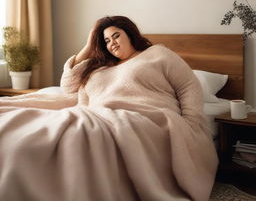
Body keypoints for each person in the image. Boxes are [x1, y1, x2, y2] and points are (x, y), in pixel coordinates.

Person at [0, 15, 218, 201]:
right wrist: (88, 46)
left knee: (76, 136)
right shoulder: (101, 66)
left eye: (116, 35)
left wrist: (191, 123)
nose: (112, 43)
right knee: (29, 130)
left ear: (130, 34)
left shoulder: (158, 54)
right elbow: (68, 88)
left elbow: (189, 86)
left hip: (143, 114)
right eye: (106, 40)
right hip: (94, 113)